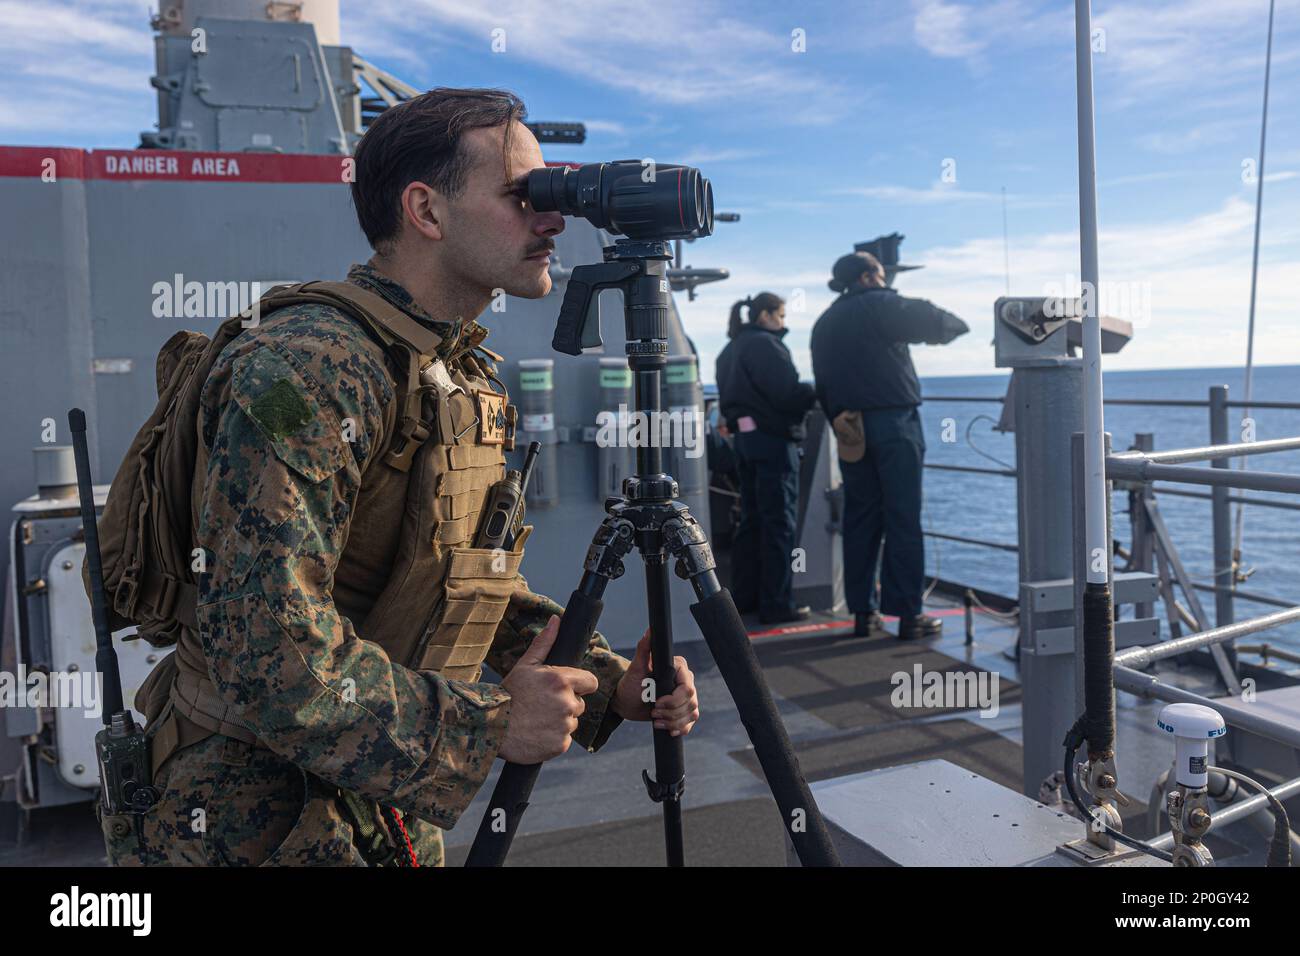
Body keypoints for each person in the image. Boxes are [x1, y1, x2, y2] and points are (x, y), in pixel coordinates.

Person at [115, 88, 699, 866]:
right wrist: (487, 726)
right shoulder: (305, 368)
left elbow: (459, 585)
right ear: (426, 210)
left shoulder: (451, 369)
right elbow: (265, 645)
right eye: (524, 195)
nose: (554, 218)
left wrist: (612, 683)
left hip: (379, 790)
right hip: (247, 813)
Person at [810, 251, 969, 640]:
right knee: (902, 518)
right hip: (893, 422)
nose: (886, 281)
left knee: (860, 518)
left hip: (848, 426)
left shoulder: (824, 322)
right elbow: (949, 325)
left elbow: (822, 383)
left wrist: (840, 419)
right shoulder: (881, 303)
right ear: (867, 278)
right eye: (881, 275)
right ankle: (908, 615)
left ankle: (864, 613)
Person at [714, 292, 818, 624]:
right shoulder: (765, 345)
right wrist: (818, 392)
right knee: (779, 524)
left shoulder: (729, 350)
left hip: (744, 442)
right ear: (765, 315)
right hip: (772, 442)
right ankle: (777, 603)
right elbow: (786, 393)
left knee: (752, 520)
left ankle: (744, 598)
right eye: (782, 316)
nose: (783, 323)